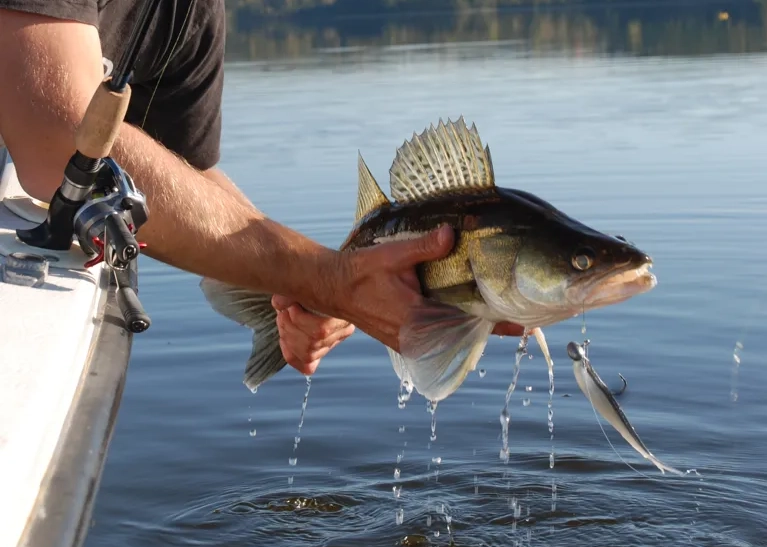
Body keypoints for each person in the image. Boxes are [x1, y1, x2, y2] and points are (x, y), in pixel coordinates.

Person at [0, 0, 523, 376]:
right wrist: (326, 278)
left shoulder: (191, 13)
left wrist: (299, 288)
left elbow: (182, 174)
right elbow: (60, 141)